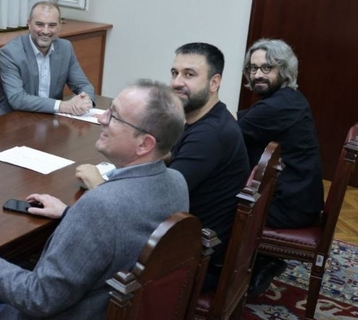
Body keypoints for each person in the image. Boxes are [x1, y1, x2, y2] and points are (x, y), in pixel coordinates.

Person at [0, 79, 189, 320]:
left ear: (144, 144)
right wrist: (71, 213)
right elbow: (126, 232)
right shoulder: (177, 183)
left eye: (113, 116)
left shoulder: (101, 206)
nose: (101, 118)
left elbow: (38, 297)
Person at [76, 43, 250, 291]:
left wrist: (98, 185)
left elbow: (160, 200)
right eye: (174, 73)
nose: (177, 82)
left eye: (189, 74)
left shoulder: (210, 135)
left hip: (192, 261)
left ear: (214, 82)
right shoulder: (206, 119)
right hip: (188, 240)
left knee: (85, 241)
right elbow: (170, 159)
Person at [238, 38, 324, 297]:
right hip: (300, 198)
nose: (257, 75)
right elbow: (242, 119)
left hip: (289, 208)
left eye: (267, 68)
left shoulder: (279, 105)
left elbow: (229, 130)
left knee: (216, 201)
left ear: (284, 70)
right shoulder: (286, 99)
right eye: (253, 68)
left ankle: (235, 269)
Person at [0, 1, 95, 116]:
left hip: (50, 119)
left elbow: (84, 85)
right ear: (29, 24)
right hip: (14, 119)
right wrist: (63, 106)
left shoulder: (65, 48)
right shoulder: (10, 53)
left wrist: (85, 100)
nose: (46, 31)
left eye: (52, 25)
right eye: (40, 24)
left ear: (60, 26)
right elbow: (17, 99)